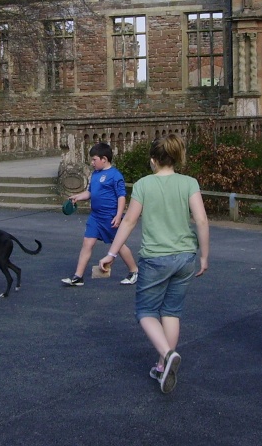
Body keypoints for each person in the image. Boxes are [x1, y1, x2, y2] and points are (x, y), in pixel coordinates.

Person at [99, 134, 209, 395]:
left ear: (152, 160)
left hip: (155, 258)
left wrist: (112, 254)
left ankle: (167, 354)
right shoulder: (189, 182)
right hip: (185, 257)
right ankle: (162, 366)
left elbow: (128, 222)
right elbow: (202, 220)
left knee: (146, 311)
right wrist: (204, 255)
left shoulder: (144, 185)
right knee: (171, 311)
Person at [62, 142, 139, 286]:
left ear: (104, 159)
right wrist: (78, 196)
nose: (92, 163)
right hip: (95, 217)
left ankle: (134, 271)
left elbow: (121, 196)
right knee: (87, 243)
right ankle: (78, 277)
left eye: (94, 159)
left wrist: (118, 215)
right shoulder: (95, 174)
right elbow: (90, 192)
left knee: (119, 245)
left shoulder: (115, 175)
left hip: (110, 217)